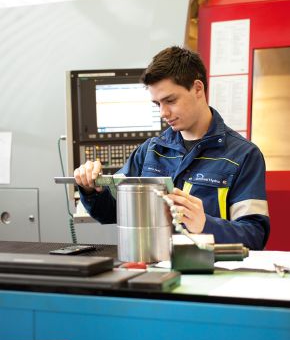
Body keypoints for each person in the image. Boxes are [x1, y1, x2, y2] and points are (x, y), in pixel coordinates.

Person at [74, 46, 270, 250]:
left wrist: (205, 224)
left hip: (211, 273)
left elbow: (254, 236)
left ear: (197, 89)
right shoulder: (150, 151)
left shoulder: (243, 155)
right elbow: (111, 212)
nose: (163, 113)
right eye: (157, 104)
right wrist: (91, 190)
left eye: (170, 100)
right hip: (153, 268)